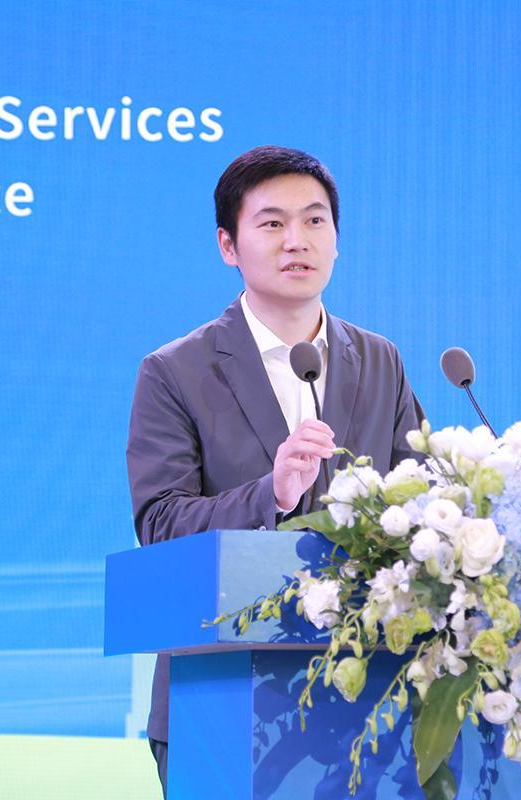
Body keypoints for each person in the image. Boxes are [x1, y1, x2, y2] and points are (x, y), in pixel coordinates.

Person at [125, 145, 425, 797]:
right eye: (272, 223)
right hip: (226, 697)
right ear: (228, 246)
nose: (297, 240)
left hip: (372, 694)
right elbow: (161, 525)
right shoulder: (176, 371)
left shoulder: (380, 360)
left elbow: (420, 502)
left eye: (315, 220)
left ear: (337, 239)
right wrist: (273, 494)